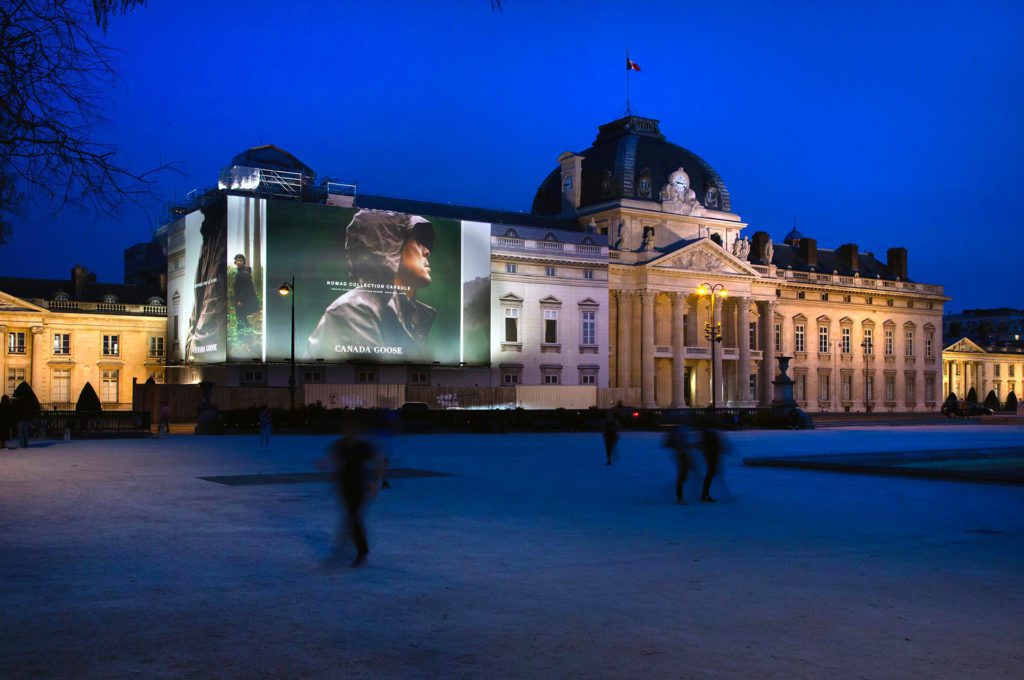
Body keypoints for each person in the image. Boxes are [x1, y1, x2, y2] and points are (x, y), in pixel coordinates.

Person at [308, 210, 436, 361]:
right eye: (417, 242)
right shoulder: (355, 310)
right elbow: (369, 373)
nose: (427, 251)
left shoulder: (412, 316)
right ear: (390, 248)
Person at [320, 434, 381, 568]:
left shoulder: (362, 445)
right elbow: (335, 459)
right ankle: (361, 550)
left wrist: (375, 482)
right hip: (345, 485)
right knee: (352, 517)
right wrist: (326, 464)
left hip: (359, 485)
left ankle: (361, 551)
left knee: (353, 517)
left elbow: (377, 461)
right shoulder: (342, 443)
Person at [664, 421, 694, 504]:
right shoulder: (680, 431)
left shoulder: (680, 430)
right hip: (683, 455)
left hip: (683, 455)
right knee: (682, 476)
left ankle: (680, 496)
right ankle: (679, 497)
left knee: (683, 476)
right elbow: (682, 444)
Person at [232, 254, 260, 329]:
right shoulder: (240, 272)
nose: (239, 262)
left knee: (240, 316)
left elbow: (245, 288)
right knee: (241, 316)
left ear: (244, 262)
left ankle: (244, 331)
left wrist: (240, 300)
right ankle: (244, 331)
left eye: (241, 261)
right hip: (239, 298)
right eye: (238, 260)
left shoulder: (244, 273)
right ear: (235, 262)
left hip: (242, 300)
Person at [698, 421, 723, 503]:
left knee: (710, 475)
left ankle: (705, 494)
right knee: (709, 476)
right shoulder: (708, 433)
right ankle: (705, 495)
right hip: (711, 457)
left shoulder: (707, 433)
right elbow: (709, 446)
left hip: (711, 457)